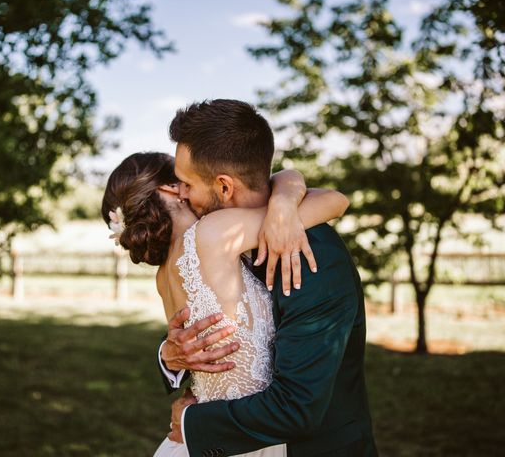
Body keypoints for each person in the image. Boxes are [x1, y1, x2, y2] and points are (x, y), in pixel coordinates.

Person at [159, 99, 378, 457]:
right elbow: (219, 324)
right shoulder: (222, 239)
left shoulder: (317, 259)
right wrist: (169, 355)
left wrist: (192, 424)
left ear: (225, 187)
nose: (179, 193)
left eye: (186, 183)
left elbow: (297, 407)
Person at [101, 150, 350, 457]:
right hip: (251, 436)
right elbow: (335, 201)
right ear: (171, 189)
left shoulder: (163, 276)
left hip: (202, 437)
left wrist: (286, 184)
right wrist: (282, 206)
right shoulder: (216, 233)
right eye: (186, 182)